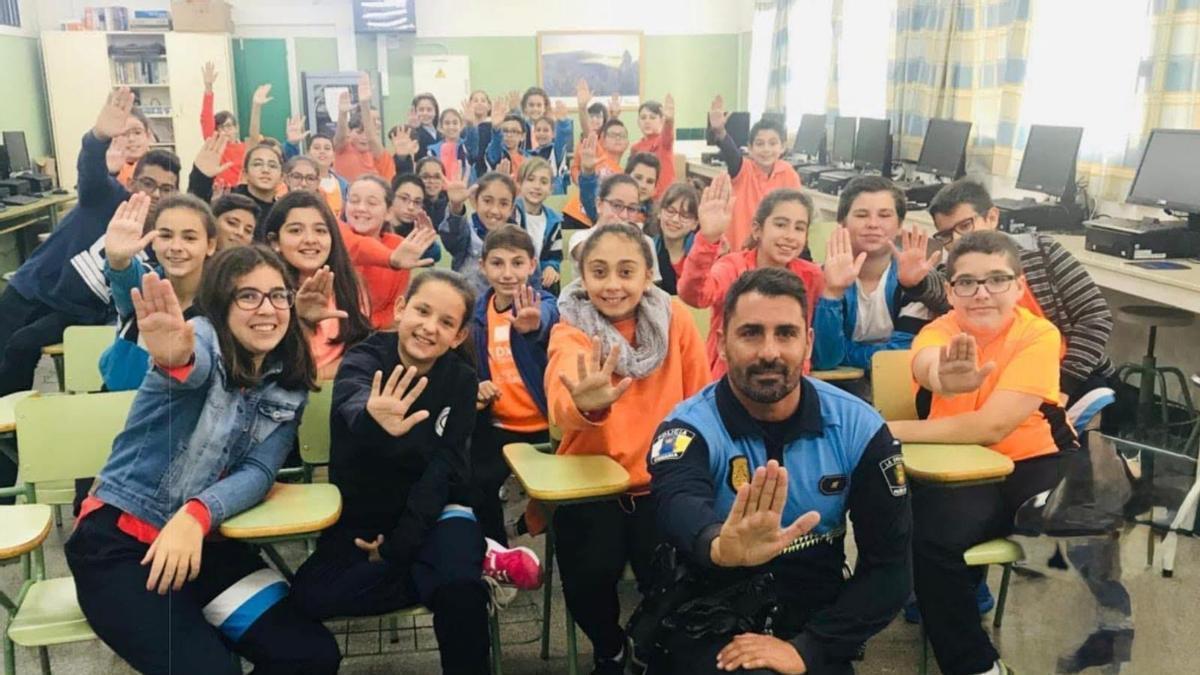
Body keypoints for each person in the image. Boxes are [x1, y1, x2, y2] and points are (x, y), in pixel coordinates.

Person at [65, 246, 340, 674]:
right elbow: (189, 366)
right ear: (220, 305)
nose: (266, 308)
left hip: (204, 546)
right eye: (247, 296)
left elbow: (259, 471)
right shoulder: (199, 339)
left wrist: (196, 515)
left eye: (277, 295)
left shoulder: (288, 380)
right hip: (120, 544)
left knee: (309, 655)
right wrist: (173, 359)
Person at [646, 267, 912, 673]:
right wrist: (718, 544)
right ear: (722, 342)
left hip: (815, 610)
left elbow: (890, 568)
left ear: (807, 342)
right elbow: (675, 498)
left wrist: (809, 648)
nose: (769, 351)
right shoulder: (688, 427)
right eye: (750, 333)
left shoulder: (860, 427)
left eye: (785, 334)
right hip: (710, 599)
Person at [291, 270, 522, 675]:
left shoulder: (461, 380)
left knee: (459, 595)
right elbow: (352, 400)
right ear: (401, 308)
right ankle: (468, 566)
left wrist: (398, 547)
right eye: (422, 311)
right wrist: (371, 415)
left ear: (458, 335)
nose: (430, 327)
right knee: (309, 597)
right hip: (364, 519)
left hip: (435, 513)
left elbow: (444, 470)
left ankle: (460, 571)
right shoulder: (364, 359)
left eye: (446, 322)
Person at [888, 231, 1079, 675]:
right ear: (950, 291)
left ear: (1018, 285)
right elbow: (926, 364)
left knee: (1065, 520)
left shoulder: (1039, 335)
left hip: (1037, 458)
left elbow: (993, 425)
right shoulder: (938, 331)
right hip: (961, 469)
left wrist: (890, 429)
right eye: (967, 283)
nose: (982, 294)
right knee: (931, 538)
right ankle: (974, 664)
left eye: (996, 280)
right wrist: (944, 377)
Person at [545, 223, 710, 674]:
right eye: (599, 272)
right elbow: (561, 391)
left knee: (678, 573)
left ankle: (652, 644)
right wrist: (584, 402)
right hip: (592, 485)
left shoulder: (674, 318)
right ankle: (609, 646)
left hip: (664, 480)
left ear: (646, 275)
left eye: (626, 271)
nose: (612, 285)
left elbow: (701, 396)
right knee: (588, 572)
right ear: (582, 276)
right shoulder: (572, 327)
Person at [0, 88, 180, 397]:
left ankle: (13, 424)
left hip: (75, 310)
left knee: (21, 347)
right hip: (34, 285)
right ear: (133, 181)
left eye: (166, 189)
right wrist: (98, 136)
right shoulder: (106, 195)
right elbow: (91, 170)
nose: (155, 194)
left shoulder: (161, 238)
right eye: (148, 183)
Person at [926, 179, 1115, 408]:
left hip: (1067, 372)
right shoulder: (951, 273)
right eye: (946, 235)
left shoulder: (1042, 252)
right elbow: (935, 293)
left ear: (992, 217)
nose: (957, 239)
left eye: (965, 225)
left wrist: (1065, 386)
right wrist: (914, 282)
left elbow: (1095, 316)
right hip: (992, 380)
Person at [679, 176, 823, 378]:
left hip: (787, 381)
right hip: (730, 378)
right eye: (781, 225)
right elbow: (694, 295)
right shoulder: (733, 267)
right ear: (757, 229)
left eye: (799, 228)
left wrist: (835, 291)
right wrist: (708, 239)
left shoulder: (813, 276)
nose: (790, 235)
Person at [471, 226, 559, 547]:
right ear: (483, 266)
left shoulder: (542, 302)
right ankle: (497, 553)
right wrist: (476, 387)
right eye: (497, 263)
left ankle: (530, 524)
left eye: (517, 263)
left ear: (533, 265)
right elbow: (465, 365)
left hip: (544, 427)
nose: (508, 273)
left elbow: (548, 314)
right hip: (498, 424)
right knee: (476, 483)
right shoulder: (476, 314)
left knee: (559, 495)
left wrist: (536, 323)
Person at [811, 176, 938, 372]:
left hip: (897, 385)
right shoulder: (819, 278)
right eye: (861, 215)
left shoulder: (913, 279)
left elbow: (901, 354)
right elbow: (826, 358)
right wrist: (832, 293)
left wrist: (847, 354)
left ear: (899, 225)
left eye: (885, 215)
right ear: (842, 222)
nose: (873, 224)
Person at [99, 193, 216, 391]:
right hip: (119, 401)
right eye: (165, 235)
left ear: (210, 245)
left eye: (189, 237)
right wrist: (117, 259)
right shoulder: (146, 283)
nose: (176, 247)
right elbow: (124, 276)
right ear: (152, 241)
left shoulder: (221, 300)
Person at [261, 190, 373, 379]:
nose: (310, 240)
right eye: (296, 230)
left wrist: (322, 375)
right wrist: (301, 321)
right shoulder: (261, 290)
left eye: (320, 230)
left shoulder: (350, 286)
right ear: (274, 241)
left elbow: (361, 350)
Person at [341, 174, 438, 329]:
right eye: (353, 201)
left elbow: (394, 308)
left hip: (372, 337)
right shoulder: (335, 233)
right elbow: (357, 247)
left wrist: (365, 328)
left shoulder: (397, 245)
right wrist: (391, 259)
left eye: (372, 203)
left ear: (388, 213)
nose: (361, 208)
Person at [707, 96, 800, 251]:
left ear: (782, 147)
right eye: (759, 143)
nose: (766, 149)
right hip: (739, 251)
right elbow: (731, 154)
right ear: (749, 148)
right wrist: (720, 132)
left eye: (773, 143)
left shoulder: (789, 174)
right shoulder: (743, 169)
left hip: (774, 250)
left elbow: (797, 213)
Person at [439, 172, 521, 294]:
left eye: (503, 204)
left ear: (512, 208)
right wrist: (456, 206)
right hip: (468, 306)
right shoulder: (467, 233)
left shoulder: (522, 242)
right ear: (475, 202)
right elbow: (452, 238)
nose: (494, 210)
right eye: (487, 201)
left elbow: (535, 288)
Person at [513, 157, 564, 291]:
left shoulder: (555, 221)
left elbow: (554, 256)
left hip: (538, 287)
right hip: (512, 280)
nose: (537, 186)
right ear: (519, 184)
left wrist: (551, 267)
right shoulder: (510, 215)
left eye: (543, 182)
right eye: (531, 179)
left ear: (551, 189)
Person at [334, 73, 395, 182]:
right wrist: (343, 113)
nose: (364, 137)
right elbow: (340, 138)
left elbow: (372, 139)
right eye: (359, 132)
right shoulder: (343, 149)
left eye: (367, 132)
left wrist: (365, 103)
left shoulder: (381, 155)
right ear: (350, 132)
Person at [199, 61, 246, 190]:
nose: (226, 131)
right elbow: (206, 119)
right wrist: (208, 88)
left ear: (236, 128)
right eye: (221, 127)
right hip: (221, 194)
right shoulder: (216, 148)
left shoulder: (246, 148)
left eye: (229, 126)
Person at [652, 182, 699, 295]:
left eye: (685, 216)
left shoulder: (701, 257)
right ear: (659, 212)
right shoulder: (648, 249)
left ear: (695, 223)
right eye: (670, 211)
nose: (675, 219)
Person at [388, 173, 444, 264]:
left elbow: (435, 255)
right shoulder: (376, 226)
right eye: (404, 198)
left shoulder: (415, 231)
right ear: (391, 197)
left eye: (417, 202)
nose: (411, 207)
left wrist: (427, 241)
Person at [630, 95, 676, 200]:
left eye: (652, 117)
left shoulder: (663, 142)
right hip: (642, 200)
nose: (647, 121)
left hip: (664, 201)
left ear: (661, 120)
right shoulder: (635, 148)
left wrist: (669, 121)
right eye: (643, 117)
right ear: (638, 122)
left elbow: (668, 134)